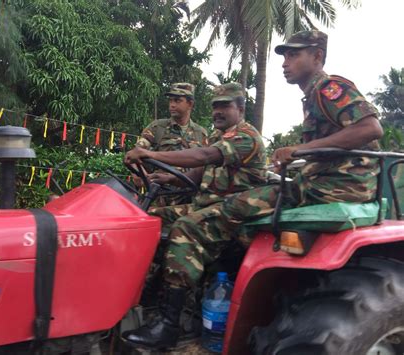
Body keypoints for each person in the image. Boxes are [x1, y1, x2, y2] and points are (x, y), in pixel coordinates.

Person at [122, 83, 267, 349]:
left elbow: (204, 155)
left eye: (225, 106)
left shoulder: (245, 136)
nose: (218, 111)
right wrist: (165, 177)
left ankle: (168, 324)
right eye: (215, 106)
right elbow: (197, 174)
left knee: (185, 229)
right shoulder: (217, 136)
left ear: (241, 109)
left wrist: (150, 153)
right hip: (206, 205)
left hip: (235, 212)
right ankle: (144, 295)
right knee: (147, 218)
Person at [221, 30, 383, 227]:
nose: (284, 63)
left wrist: (300, 150)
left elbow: (370, 128)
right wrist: (293, 154)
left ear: (317, 56)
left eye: (293, 55)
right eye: (284, 56)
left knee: (233, 205)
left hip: (338, 186)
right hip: (325, 182)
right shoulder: (313, 95)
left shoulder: (329, 88)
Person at [134, 83, 208, 206]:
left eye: (177, 100)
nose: (172, 105)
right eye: (171, 100)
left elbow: (206, 166)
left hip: (190, 199)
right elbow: (135, 154)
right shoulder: (157, 127)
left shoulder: (201, 134)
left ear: (190, 104)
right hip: (160, 196)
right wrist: (139, 174)